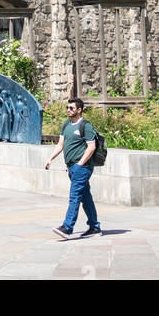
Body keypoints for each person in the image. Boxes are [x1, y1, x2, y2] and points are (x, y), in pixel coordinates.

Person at [44, 97, 102, 238]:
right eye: (67, 107)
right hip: (71, 167)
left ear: (79, 110)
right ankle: (94, 227)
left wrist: (80, 164)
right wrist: (50, 158)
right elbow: (60, 145)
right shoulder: (66, 125)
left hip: (82, 167)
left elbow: (91, 147)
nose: (68, 110)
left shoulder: (86, 126)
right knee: (85, 198)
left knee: (74, 196)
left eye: (71, 108)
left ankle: (67, 227)